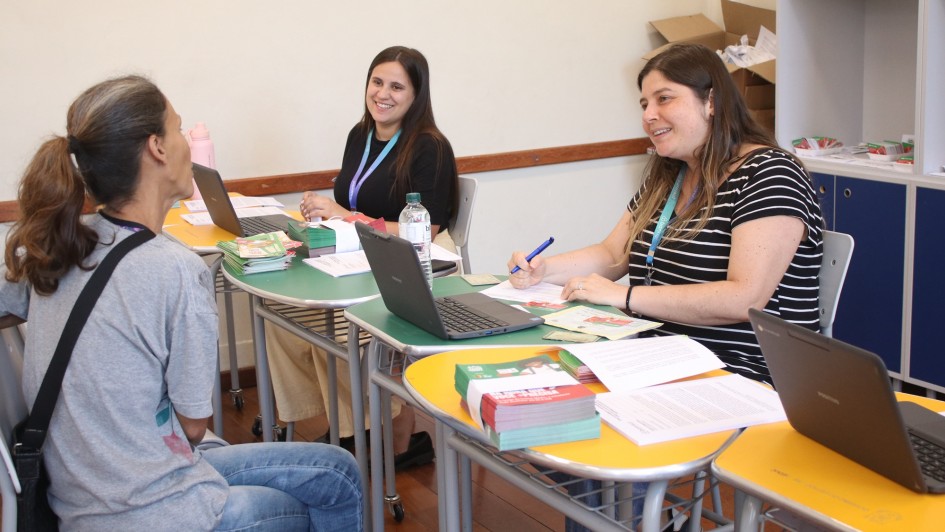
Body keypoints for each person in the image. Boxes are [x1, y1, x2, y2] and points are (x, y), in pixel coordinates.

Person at [0, 75, 363, 530]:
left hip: (82, 493)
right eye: (178, 128)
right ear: (156, 147)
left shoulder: (60, 245)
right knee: (327, 490)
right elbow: (193, 427)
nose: (187, 140)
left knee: (336, 469)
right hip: (152, 510)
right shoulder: (175, 270)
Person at [510, 43, 823, 531]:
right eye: (643, 103)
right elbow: (613, 254)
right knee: (532, 410)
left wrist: (625, 297)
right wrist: (543, 269)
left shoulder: (770, 173)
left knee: (593, 440)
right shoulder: (672, 174)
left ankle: (636, 516)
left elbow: (745, 298)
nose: (648, 115)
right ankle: (646, 518)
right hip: (662, 358)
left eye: (664, 98)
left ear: (711, 100)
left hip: (746, 373)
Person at [266, 45, 458, 467]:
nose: (382, 94)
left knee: (339, 330)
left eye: (396, 87)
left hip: (410, 263)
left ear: (416, 94)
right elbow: (353, 202)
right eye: (377, 82)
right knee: (285, 316)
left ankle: (391, 435)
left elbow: (426, 229)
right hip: (358, 256)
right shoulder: (361, 134)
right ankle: (341, 423)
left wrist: (344, 215)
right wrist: (326, 213)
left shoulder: (429, 146)